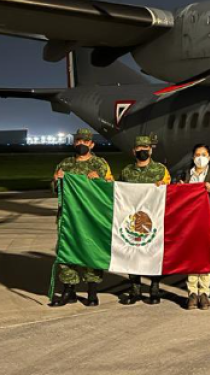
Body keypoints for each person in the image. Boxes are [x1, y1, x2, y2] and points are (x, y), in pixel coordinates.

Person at [49, 128, 113, 307]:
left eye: (85, 141)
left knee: (91, 250)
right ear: (74, 142)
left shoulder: (100, 164)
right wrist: (56, 180)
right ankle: (69, 290)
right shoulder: (65, 164)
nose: (81, 144)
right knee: (66, 251)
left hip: (91, 217)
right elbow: (56, 190)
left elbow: (109, 188)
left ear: (92, 144)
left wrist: (99, 179)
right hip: (68, 216)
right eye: (78, 141)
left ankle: (92, 291)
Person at [174, 143, 210, 311]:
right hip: (190, 224)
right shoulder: (186, 174)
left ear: (209, 157)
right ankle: (192, 292)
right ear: (193, 158)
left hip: (208, 224)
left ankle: (204, 292)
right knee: (192, 259)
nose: (200, 158)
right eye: (197, 154)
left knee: (206, 259)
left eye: (204, 154)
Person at [118, 135, 170, 305]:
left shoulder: (161, 170)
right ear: (134, 150)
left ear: (151, 149)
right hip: (132, 220)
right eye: (139, 148)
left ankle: (154, 288)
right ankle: (135, 290)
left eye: (145, 148)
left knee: (153, 253)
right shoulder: (126, 172)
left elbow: (170, 191)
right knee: (132, 253)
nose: (142, 151)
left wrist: (163, 187)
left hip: (154, 220)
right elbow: (119, 194)